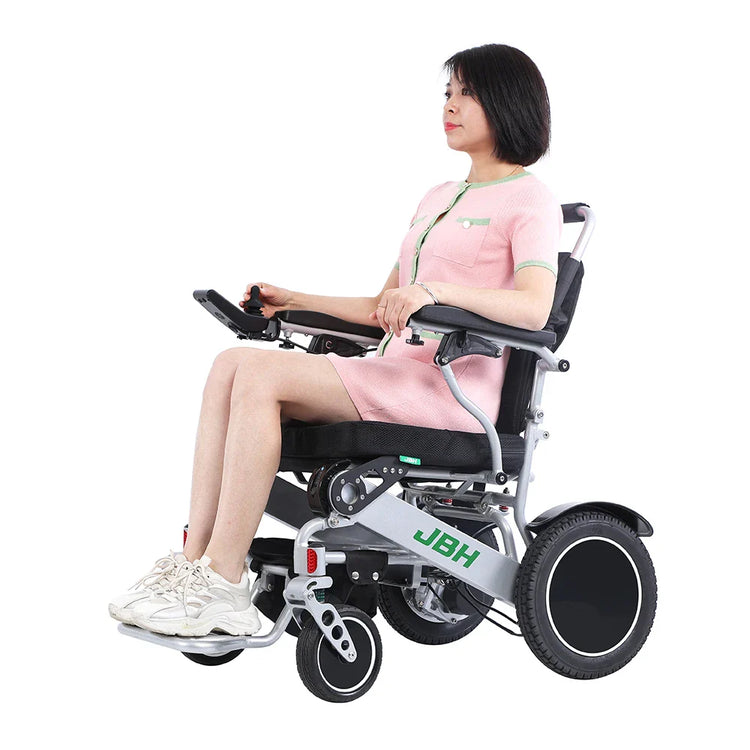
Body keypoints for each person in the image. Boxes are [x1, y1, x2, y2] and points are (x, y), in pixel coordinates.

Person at [108, 43, 563, 637]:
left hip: (451, 395)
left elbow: (535, 307)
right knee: (230, 363)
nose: (449, 106)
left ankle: (223, 578)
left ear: (507, 102)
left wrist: (435, 292)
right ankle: (196, 564)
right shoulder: (438, 197)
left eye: (466, 94)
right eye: (447, 93)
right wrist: (295, 301)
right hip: (394, 373)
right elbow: (381, 308)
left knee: (258, 374)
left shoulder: (531, 199)